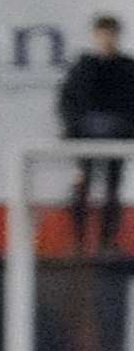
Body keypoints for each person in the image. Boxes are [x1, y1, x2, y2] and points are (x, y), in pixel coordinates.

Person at [59, 13, 134, 253]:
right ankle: (79, 241)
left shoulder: (126, 68)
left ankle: (107, 242)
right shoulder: (83, 67)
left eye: (111, 34)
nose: (107, 39)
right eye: (103, 34)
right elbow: (68, 101)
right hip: (84, 138)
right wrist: (73, 129)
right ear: (95, 36)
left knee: (112, 190)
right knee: (82, 188)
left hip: (118, 137)